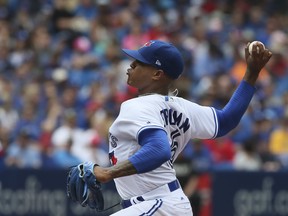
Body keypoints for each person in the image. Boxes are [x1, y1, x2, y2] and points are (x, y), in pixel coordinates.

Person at [71, 40, 272, 215]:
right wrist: (252, 73)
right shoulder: (182, 107)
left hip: (157, 204)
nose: (130, 65)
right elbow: (227, 120)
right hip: (166, 204)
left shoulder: (137, 106)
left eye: (139, 63)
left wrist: (108, 173)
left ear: (157, 74)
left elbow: (159, 149)